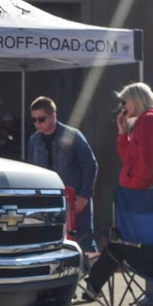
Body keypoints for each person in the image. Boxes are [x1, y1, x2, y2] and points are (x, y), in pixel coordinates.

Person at [114, 81, 153, 306]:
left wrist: (134, 189)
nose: (122, 106)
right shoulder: (150, 120)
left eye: (124, 101)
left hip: (150, 190)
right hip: (152, 188)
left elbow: (147, 164)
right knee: (152, 246)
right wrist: (123, 133)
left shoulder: (149, 121)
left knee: (152, 247)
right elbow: (131, 160)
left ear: (136, 99)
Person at [25, 96, 97, 245]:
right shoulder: (34, 140)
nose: (37, 124)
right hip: (46, 201)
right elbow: (32, 171)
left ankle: (88, 268)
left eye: (41, 119)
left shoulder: (73, 135)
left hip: (74, 199)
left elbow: (90, 165)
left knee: (83, 239)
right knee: (48, 239)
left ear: (53, 116)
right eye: (34, 120)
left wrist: (84, 196)